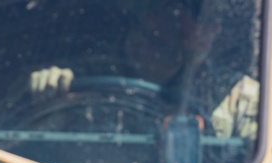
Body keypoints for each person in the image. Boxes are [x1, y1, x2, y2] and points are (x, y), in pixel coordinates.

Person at [28, 0, 258, 140]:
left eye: (215, 17)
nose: (211, 27)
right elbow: (6, 144)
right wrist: (46, 104)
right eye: (196, 10)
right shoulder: (81, 79)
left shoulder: (238, 96)